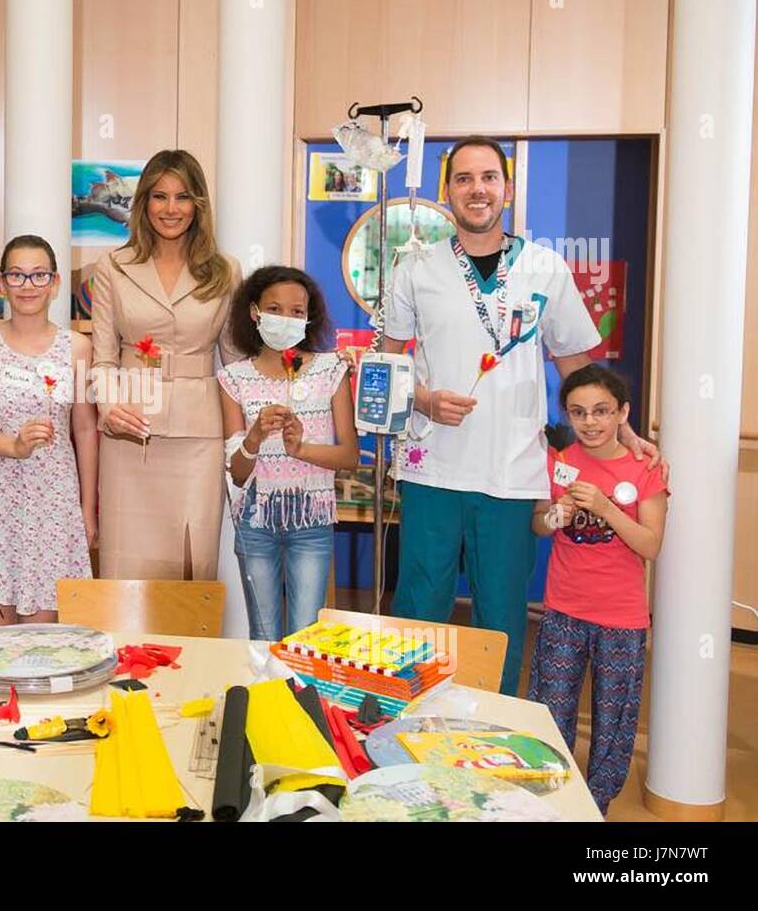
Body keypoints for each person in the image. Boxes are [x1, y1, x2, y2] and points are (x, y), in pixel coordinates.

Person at [380, 136, 662, 694]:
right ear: (447, 191)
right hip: (431, 461)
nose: (476, 189)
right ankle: (404, 722)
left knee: (502, 611)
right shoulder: (415, 268)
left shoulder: (544, 268)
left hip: (512, 468)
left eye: (488, 177)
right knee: (420, 602)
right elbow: (386, 363)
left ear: (506, 189)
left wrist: (626, 430)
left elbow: (578, 365)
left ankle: (494, 728)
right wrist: (425, 399)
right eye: (463, 179)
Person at [90, 149, 241, 580]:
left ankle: (192, 650)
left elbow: (233, 365)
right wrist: (108, 408)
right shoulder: (113, 267)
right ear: (144, 203)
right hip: (129, 428)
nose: (170, 209)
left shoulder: (225, 271)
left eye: (182, 197)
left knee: (192, 567)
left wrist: (241, 440)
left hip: (199, 434)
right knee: (127, 566)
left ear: (198, 205)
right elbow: (102, 357)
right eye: (159, 197)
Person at [528, 365, 667, 814]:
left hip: (622, 619)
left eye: (602, 411)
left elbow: (650, 544)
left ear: (622, 413)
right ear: (568, 416)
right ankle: (551, 799)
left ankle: (594, 806)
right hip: (564, 611)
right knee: (550, 711)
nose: (590, 422)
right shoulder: (559, 463)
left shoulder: (645, 468)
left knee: (613, 726)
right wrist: (558, 515)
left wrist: (607, 508)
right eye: (579, 412)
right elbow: (539, 526)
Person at [0, 235, 97, 625]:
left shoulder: (78, 347)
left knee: (42, 642)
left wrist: (87, 507)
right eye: (16, 275)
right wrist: (13, 446)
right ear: (2, 282)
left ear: (54, 283)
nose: (27, 285)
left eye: (38, 276)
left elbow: (84, 429)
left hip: (54, 499)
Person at [219, 266, 358, 641]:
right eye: (275, 309)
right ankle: (267, 700)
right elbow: (236, 472)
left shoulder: (331, 370)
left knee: (305, 636)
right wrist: (254, 436)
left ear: (308, 317)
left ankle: (301, 699)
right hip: (254, 518)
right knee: (262, 634)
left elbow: (349, 456)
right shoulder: (233, 378)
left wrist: (301, 449)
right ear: (254, 313)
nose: (286, 319)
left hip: (311, 517)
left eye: (297, 312)